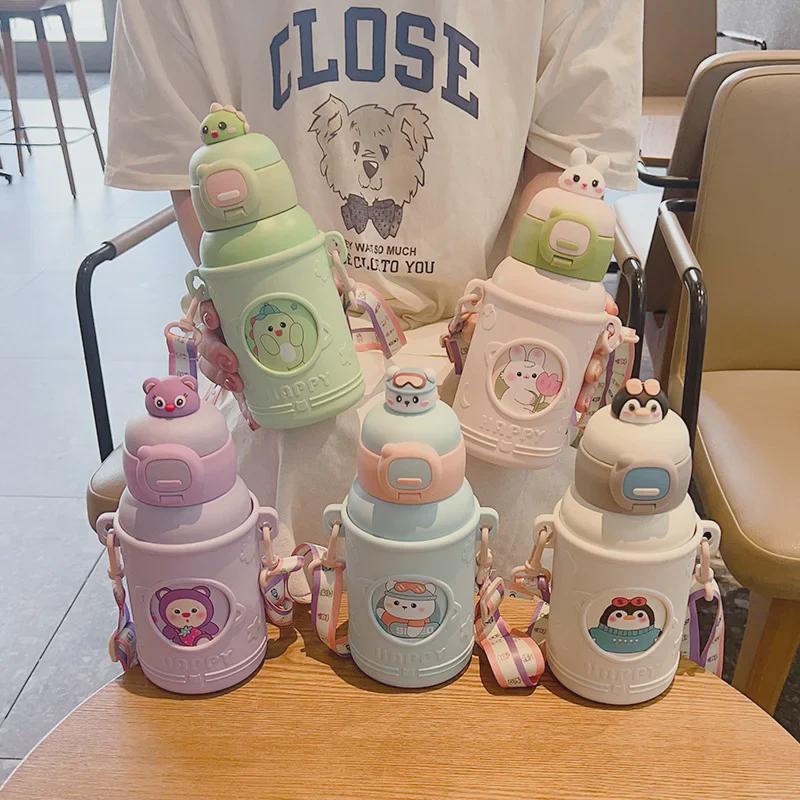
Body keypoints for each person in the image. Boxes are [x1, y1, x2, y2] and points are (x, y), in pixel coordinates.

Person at [106, 0, 643, 574]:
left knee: (504, 557)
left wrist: (537, 311)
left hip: (478, 341)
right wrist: (238, 302)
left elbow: (562, 162)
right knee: (274, 569)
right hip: (294, 345)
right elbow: (199, 177)